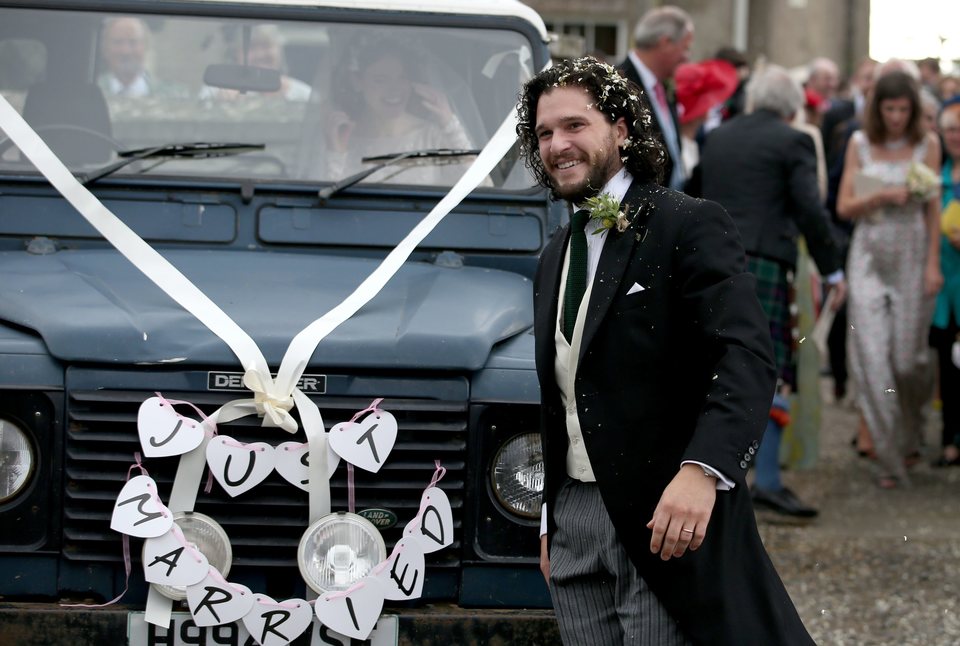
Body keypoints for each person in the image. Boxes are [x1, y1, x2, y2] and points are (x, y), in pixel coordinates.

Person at [519, 56, 812, 645]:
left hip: (664, 517)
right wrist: (554, 516)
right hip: (574, 521)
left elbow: (747, 356)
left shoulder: (687, 223)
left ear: (621, 130)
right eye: (545, 133)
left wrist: (702, 473)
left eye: (575, 125)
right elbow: (563, 394)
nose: (557, 145)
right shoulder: (552, 256)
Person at [700, 65, 846, 519]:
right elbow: (808, 208)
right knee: (771, 368)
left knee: (719, 368)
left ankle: (717, 474)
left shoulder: (719, 137)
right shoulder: (794, 140)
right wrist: (833, 268)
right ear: (791, 105)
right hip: (763, 266)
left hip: (712, 264)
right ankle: (766, 482)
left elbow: (693, 194)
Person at [836, 70, 943, 488]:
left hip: (913, 255)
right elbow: (845, 205)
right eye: (889, 108)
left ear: (914, 109)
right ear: (878, 108)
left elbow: (932, 209)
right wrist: (879, 195)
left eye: (903, 109)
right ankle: (887, 454)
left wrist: (933, 262)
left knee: (907, 359)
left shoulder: (927, 145)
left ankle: (912, 430)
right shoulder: (860, 143)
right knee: (873, 356)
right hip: (869, 254)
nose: (896, 117)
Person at [321, 41, 472, 185]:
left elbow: (478, 187)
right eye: (380, 80)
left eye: (402, 78)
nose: (394, 89)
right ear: (357, 82)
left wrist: (449, 124)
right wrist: (336, 155)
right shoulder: (343, 139)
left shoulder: (431, 136)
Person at [617, 6, 692, 192]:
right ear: (666, 43)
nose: (687, 57)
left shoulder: (663, 86)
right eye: (686, 48)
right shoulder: (619, 84)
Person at [931, 96, 960, 467]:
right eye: (951, 129)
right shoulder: (936, 174)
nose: (957, 135)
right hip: (944, 285)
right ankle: (949, 437)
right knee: (947, 366)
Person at [97, 16, 182, 98]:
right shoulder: (91, 93)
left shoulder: (173, 95)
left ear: (146, 47)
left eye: (133, 42)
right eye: (118, 42)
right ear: (105, 49)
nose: (125, 51)